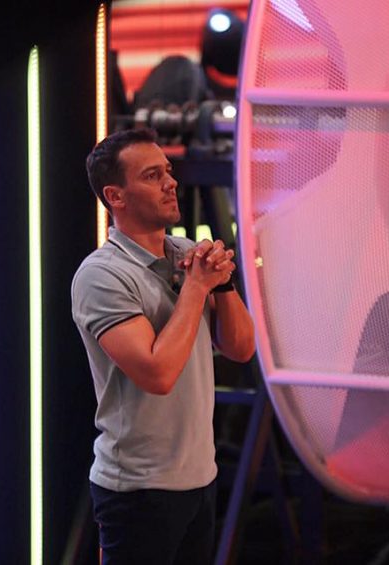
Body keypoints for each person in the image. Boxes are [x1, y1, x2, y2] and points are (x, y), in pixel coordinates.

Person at [71, 128, 255, 564]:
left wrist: (223, 284)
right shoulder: (101, 276)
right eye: (152, 176)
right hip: (138, 490)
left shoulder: (186, 253)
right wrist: (197, 287)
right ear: (116, 196)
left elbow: (242, 349)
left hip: (200, 478)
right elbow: (158, 374)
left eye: (168, 171)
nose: (170, 183)